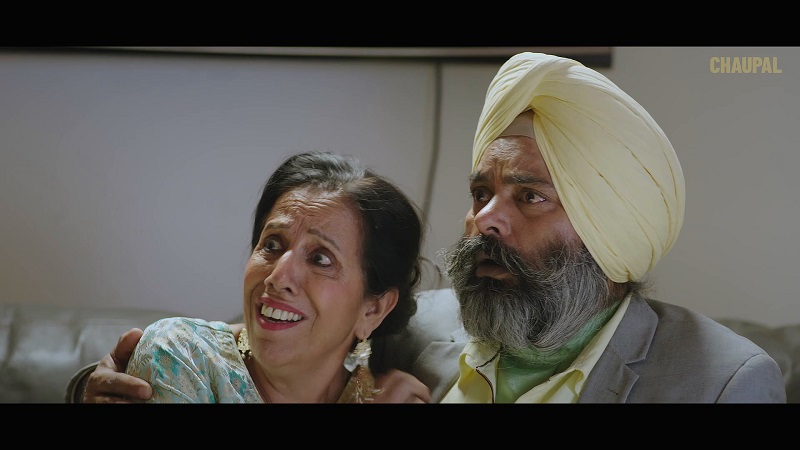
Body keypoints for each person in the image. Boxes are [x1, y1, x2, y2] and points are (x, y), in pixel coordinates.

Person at [68, 52, 786, 403]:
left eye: (528, 197)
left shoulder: (720, 382)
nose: (484, 220)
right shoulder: (420, 321)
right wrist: (93, 390)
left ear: (610, 231)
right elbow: (255, 344)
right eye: (481, 192)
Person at [75, 150, 431, 403]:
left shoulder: (389, 396)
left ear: (373, 309)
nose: (278, 275)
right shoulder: (182, 354)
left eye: (321, 258)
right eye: (272, 244)